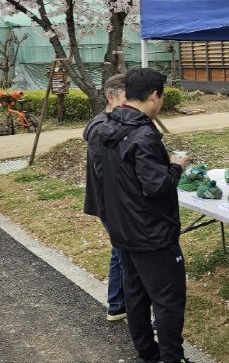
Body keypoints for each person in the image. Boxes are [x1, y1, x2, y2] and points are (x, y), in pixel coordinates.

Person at [98, 68, 192, 363]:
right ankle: (171, 358)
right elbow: (157, 186)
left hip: (124, 228)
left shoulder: (108, 125)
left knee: (136, 296)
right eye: (161, 97)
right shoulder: (143, 134)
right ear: (154, 96)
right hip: (152, 234)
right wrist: (176, 166)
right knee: (168, 301)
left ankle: (148, 355)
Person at [83, 73, 127, 322]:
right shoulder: (102, 128)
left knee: (119, 251)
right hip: (112, 202)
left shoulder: (111, 122)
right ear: (112, 97)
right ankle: (127, 306)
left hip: (113, 201)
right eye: (128, 96)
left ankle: (117, 305)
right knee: (126, 254)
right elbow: (105, 172)